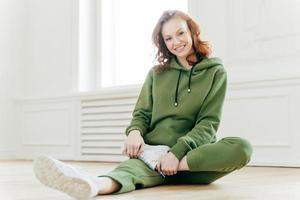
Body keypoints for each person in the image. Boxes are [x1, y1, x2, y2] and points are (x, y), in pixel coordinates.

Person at [33, 10, 253, 199]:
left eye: (180, 33)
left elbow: (208, 123)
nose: (175, 42)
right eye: (168, 38)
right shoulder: (157, 74)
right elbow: (142, 113)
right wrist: (135, 132)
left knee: (242, 147)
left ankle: (160, 168)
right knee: (123, 174)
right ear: (163, 43)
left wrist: (175, 156)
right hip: (153, 152)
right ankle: (89, 184)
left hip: (192, 161)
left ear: (193, 31)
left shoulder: (215, 72)